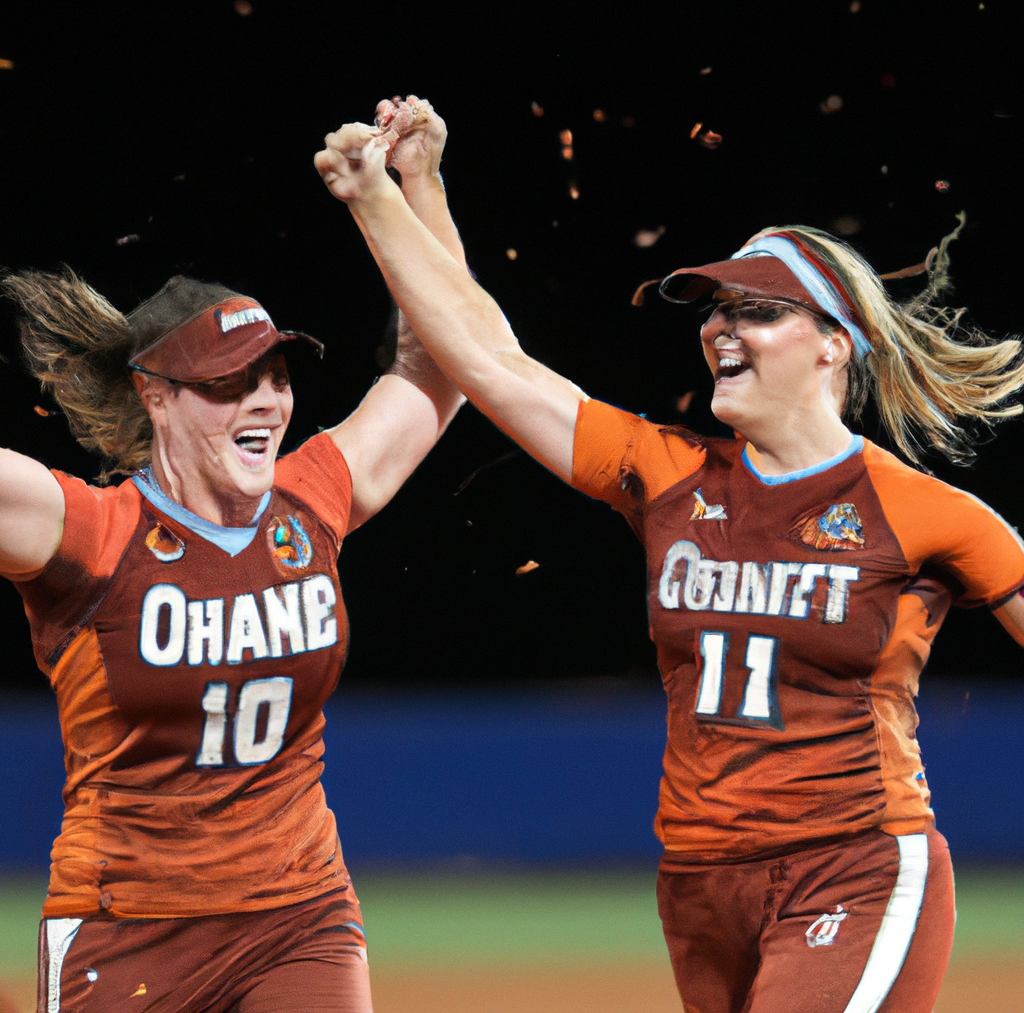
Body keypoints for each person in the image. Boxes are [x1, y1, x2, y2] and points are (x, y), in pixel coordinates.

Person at [314, 104, 1024, 1013]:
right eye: (719, 310)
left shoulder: (926, 513)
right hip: (699, 883)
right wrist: (397, 193)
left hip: (854, 865)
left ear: (834, 346)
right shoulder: (666, 473)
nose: (724, 328)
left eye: (759, 312)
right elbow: (491, 360)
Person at [0, 98, 463, 1013]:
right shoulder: (92, 532)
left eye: (275, 375)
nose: (264, 402)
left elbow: (444, 361)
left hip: (301, 915)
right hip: (127, 927)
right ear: (155, 397)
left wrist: (421, 186)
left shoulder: (313, 497)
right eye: (227, 385)